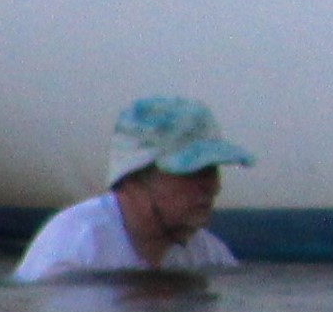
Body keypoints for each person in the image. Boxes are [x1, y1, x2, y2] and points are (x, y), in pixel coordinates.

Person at [13, 95, 250, 280]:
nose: (213, 186)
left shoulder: (209, 255)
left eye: (212, 171)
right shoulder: (76, 249)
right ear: (134, 180)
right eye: (191, 172)